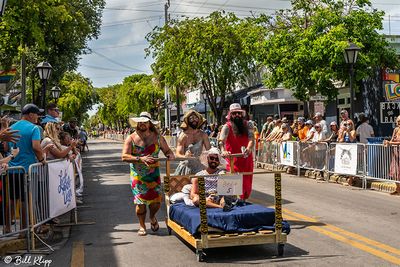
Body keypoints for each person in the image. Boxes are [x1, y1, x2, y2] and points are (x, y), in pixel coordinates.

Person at [121, 112, 175, 236]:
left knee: (156, 202)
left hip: (153, 174)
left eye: (145, 122)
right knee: (140, 204)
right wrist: (140, 159)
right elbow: (124, 156)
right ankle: (142, 225)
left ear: (149, 123)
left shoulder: (158, 137)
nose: (142, 124)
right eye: (140, 122)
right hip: (137, 176)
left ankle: (152, 217)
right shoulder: (131, 138)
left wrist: (170, 155)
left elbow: (167, 150)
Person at [8, 104, 54, 229]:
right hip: (28, 169)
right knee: (25, 200)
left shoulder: (11, 128)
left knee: (12, 199)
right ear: (30, 114)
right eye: (37, 114)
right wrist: (41, 160)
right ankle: (24, 230)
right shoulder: (34, 128)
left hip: (12, 169)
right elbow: (36, 147)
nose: (38, 117)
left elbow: (7, 148)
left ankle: (7, 228)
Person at [219, 103, 254, 200]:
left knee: (246, 184)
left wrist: (249, 148)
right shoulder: (226, 126)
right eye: (234, 113)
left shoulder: (249, 124)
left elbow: (251, 139)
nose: (237, 115)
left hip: (246, 159)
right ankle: (228, 203)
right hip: (231, 160)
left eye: (239, 113)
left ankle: (244, 201)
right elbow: (221, 141)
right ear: (230, 115)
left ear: (242, 114)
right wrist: (223, 151)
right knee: (230, 185)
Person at [174, 110, 211, 175]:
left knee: (200, 184)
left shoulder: (203, 134)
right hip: (185, 168)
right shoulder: (183, 136)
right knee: (183, 185)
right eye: (191, 118)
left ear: (199, 120)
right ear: (187, 120)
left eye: (196, 118)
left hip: (199, 168)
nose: (194, 120)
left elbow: (210, 150)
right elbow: (177, 154)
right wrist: (185, 156)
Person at [384, 115, 400, 195]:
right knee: (394, 172)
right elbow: (392, 140)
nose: (398, 123)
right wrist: (387, 143)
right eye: (397, 121)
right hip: (395, 152)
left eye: (399, 121)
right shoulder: (396, 129)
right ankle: (397, 188)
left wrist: (390, 143)